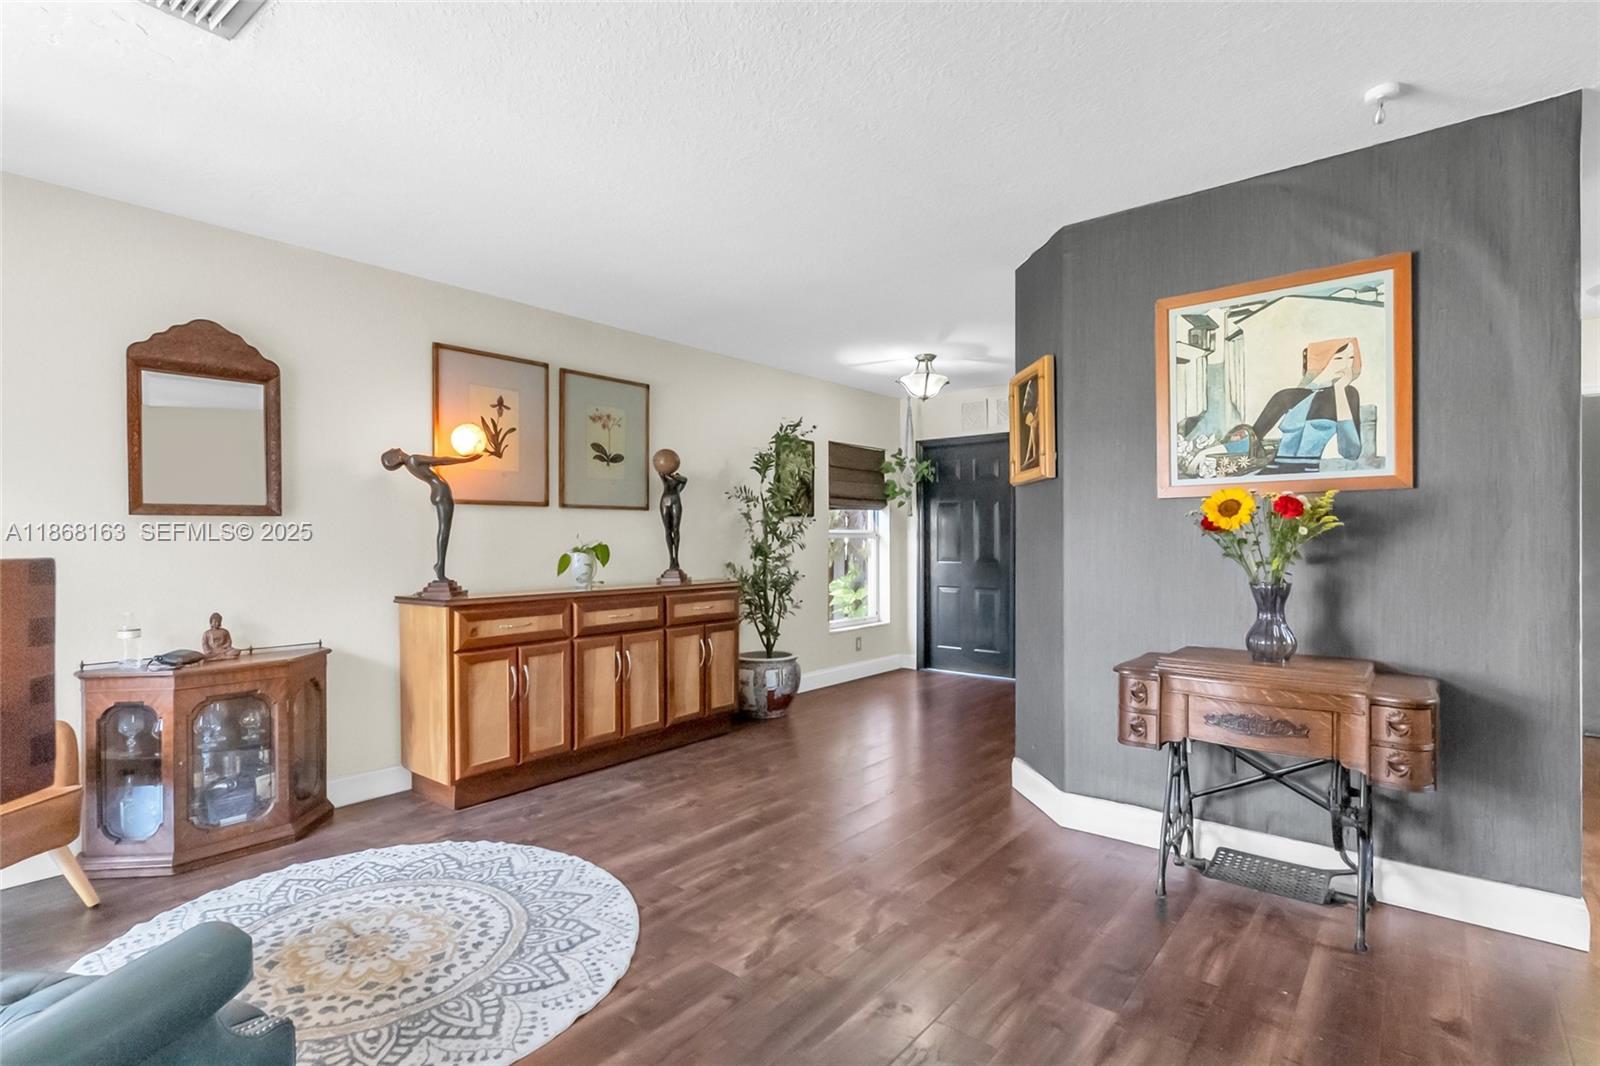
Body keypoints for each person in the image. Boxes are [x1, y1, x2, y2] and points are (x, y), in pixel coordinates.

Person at [1248, 337, 1364, 478]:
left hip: (1308, 475)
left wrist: (1339, 389)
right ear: (1321, 360)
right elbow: (1251, 438)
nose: (1346, 365)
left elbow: (1352, 452)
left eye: (1351, 358)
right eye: (1339, 358)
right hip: (1272, 473)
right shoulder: (1286, 396)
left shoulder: (1348, 394)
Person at [381, 448, 479, 583]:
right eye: (391, 452)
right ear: (395, 458)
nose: (393, 449)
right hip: (441, 493)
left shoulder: (411, 464)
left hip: (438, 493)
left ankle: (440, 566)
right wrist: (467, 459)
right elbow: (442, 460)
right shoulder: (413, 459)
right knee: (444, 530)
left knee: (444, 530)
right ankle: (440, 566)